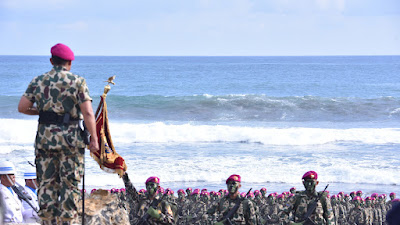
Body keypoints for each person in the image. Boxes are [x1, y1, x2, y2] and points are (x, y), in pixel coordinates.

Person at [18, 43, 99, 225]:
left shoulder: (38, 81)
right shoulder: (78, 82)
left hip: (45, 141)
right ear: (69, 63)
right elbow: (87, 113)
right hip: (71, 142)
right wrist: (94, 140)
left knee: (46, 185)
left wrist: (44, 112)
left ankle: (47, 222)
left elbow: (22, 107)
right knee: (70, 185)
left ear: (51, 60)